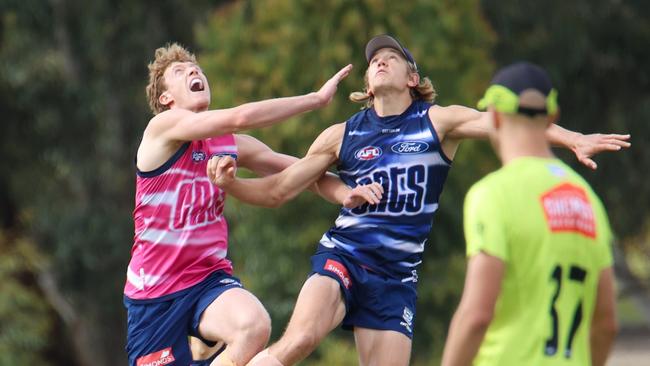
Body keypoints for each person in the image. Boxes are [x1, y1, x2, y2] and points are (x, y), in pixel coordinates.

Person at [207, 35, 629, 366]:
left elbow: (512, 120)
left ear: (413, 78)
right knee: (299, 339)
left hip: (396, 278)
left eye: (391, 56)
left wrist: (574, 139)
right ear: (368, 86)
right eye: (374, 60)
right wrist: (233, 186)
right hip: (345, 256)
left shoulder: (438, 122)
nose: (379, 61)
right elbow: (281, 190)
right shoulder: (342, 135)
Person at [124, 43, 380, 366]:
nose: (193, 71)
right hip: (154, 298)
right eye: (180, 71)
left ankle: (205, 348)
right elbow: (241, 116)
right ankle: (201, 349)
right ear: (166, 99)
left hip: (207, 279)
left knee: (254, 325)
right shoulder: (160, 130)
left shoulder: (228, 145)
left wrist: (347, 191)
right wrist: (315, 100)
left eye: (197, 69)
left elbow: (298, 170)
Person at [440, 62, 618, 366]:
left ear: (494, 116)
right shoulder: (588, 200)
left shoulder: (493, 195)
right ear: (552, 117)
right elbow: (606, 323)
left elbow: (477, 316)